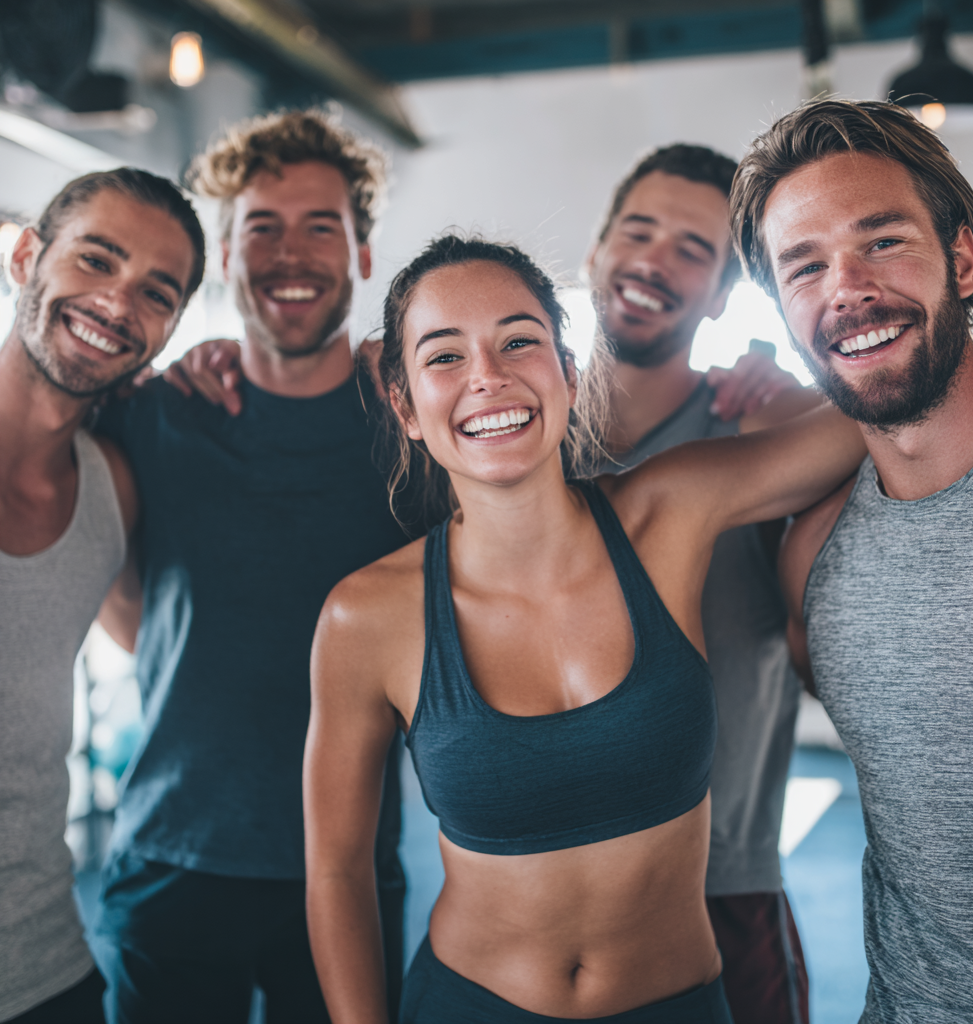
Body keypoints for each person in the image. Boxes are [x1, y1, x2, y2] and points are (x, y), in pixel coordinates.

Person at [303, 233, 867, 1024]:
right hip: (471, 1004)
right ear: (405, 408)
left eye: (520, 342)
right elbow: (335, 870)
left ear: (568, 373)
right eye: (443, 357)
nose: (489, 378)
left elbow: (857, 425)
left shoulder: (671, 511)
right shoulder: (365, 615)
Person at [92, 109, 413, 1024]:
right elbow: (130, 610)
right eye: (260, 228)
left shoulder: (412, 430)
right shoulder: (153, 414)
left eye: (322, 226)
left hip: (346, 866)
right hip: (173, 852)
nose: (290, 254)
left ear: (361, 253)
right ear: (224, 256)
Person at [730, 99, 973, 1022]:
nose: (845, 287)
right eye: (804, 266)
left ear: (964, 260)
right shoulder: (815, 559)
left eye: (884, 241)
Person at [585, 143, 814, 1023]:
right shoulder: (513, 440)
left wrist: (812, 382)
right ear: (599, 251)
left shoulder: (760, 430)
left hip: (720, 890)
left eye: (692, 247)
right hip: (542, 891)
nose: (652, 258)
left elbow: (889, 412)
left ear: (722, 293)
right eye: (638, 231)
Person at [0, 169, 204, 1024]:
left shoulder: (111, 488)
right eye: (96, 260)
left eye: (155, 291)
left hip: (48, 967)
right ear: (24, 256)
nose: (118, 303)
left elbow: (153, 648)